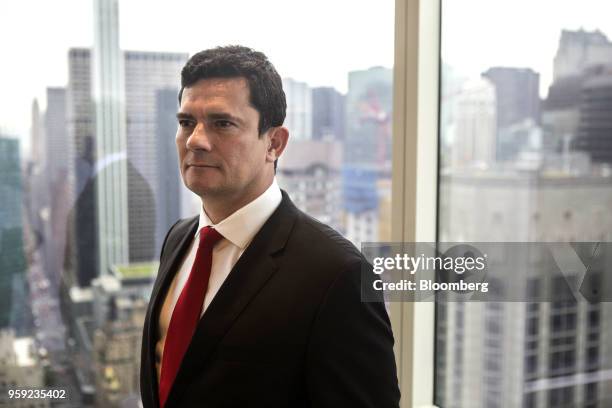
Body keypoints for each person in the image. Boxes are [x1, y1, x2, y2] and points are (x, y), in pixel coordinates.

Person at [139, 45, 400, 408]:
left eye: (222, 123)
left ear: (274, 143)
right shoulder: (179, 239)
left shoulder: (338, 275)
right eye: (186, 123)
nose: (196, 140)